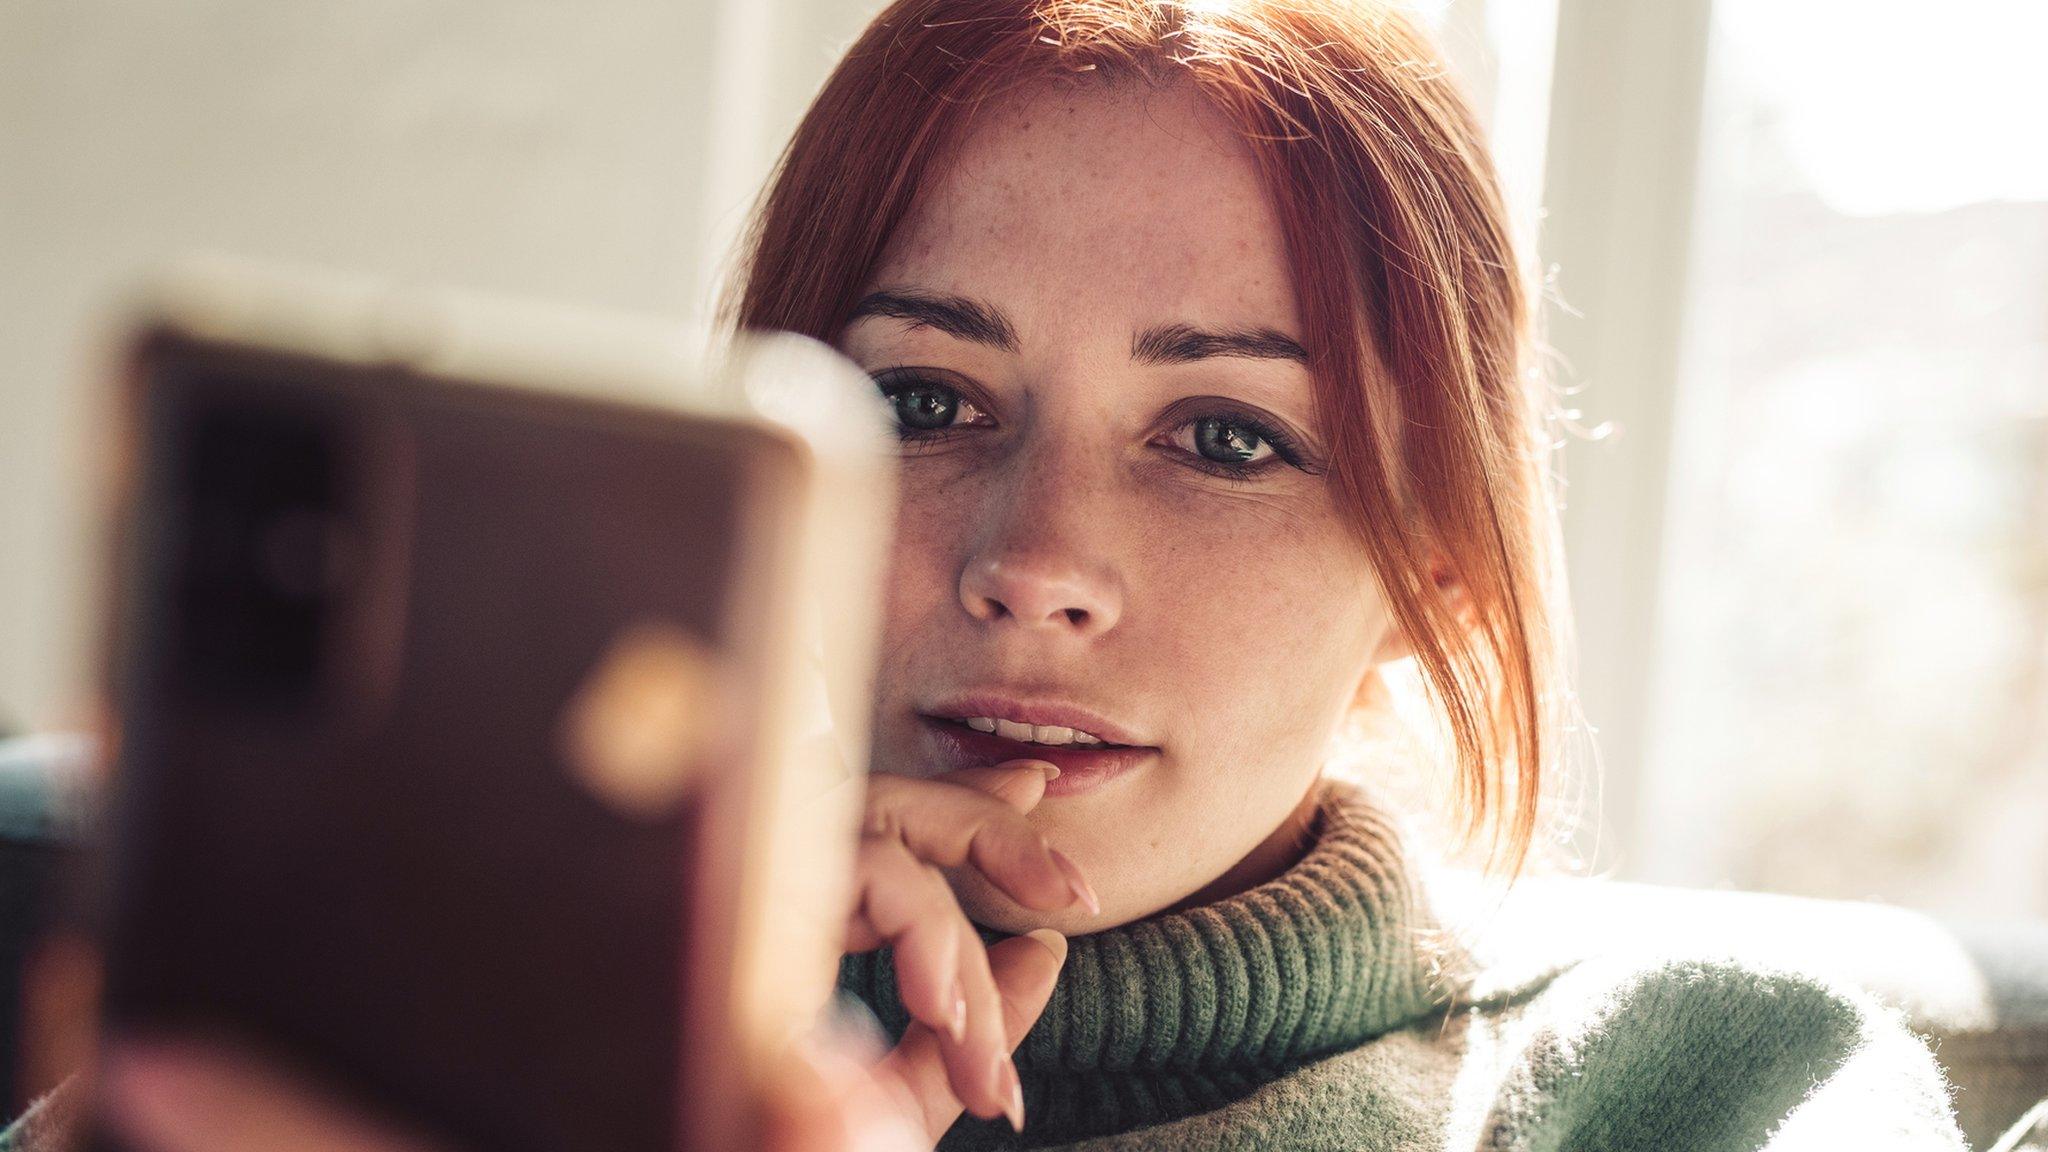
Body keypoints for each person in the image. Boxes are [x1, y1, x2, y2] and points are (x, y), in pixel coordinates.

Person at [0, 0, 1989, 1149]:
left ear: (1438, 573)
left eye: (1225, 437)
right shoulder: (438, 1015)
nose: (1039, 565)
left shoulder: (1725, 1084)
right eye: (927, 402)